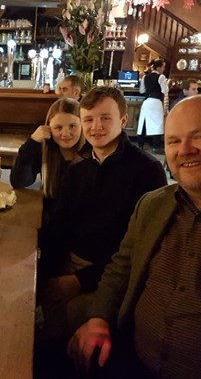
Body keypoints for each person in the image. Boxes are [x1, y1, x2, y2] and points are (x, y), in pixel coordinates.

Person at [68, 95, 201, 378]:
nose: (185, 150)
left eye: (200, 136)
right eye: (173, 141)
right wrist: (98, 318)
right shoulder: (153, 205)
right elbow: (120, 270)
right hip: (128, 361)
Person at [40, 87, 167, 340]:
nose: (95, 126)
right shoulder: (78, 167)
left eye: (105, 118)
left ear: (123, 120)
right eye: (88, 119)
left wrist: (78, 281)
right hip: (68, 264)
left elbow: (141, 249)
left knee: (65, 322)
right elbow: (58, 228)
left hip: (109, 277)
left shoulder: (147, 170)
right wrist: (43, 272)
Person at [10, 98, 84, 225]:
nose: (65, 133)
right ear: (48, 128)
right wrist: (31, 143)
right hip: (49, 223)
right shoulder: (44, 150)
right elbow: (19, 181)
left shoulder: (92, 152)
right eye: (58, 127)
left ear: (82, 125)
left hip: (81, 225)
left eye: (72, 126)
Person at [137, 58, 169, 153]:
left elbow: (141, 90)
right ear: (158, 68)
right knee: (157, 124)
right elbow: (165, 90)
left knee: (143, 123)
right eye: (163, 67)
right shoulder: (161, 77)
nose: (163, 69)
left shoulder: (145, 77)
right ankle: (156, 146)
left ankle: (140, 145)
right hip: (156, 102)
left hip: (146, 102)